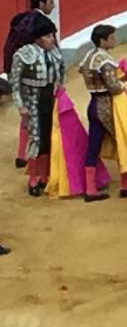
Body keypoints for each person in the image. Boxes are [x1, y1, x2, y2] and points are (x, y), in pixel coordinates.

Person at [78, 24, 127, 202]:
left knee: (93, 146)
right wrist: (124, 76)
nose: (114, 40)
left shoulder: (89, 56)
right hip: (108, 107)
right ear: (103, 40)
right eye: (111, 38)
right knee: (123, 142)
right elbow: (114, 88)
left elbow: (83, 71)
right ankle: (126, 185)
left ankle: (91, 189)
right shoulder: (104, 61)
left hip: (93, 103)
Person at [9, 14, 63, 196]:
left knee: (48, 137)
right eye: (48, 36)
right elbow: (14, 82)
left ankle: (44, 176)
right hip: (32, 100)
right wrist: (20, 105)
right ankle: (32, 179)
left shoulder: (54, 52)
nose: (52, 40)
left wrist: (60, 89)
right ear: (38, 39)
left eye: (52, 36)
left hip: (49, 98)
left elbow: (60, 72)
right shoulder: (23, 55)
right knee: (36, 139)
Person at [4, 0, 55, 170]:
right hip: (33, 75)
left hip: (15, 67)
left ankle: (20, 154)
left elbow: (9, 45)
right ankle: (35, 161)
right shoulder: (44, 23)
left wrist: (11, 71)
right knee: (36, 115)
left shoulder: (20, 19)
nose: (53, 6)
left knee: (27, 113)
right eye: (50, 2)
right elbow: (51, 51)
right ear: (41, 4)